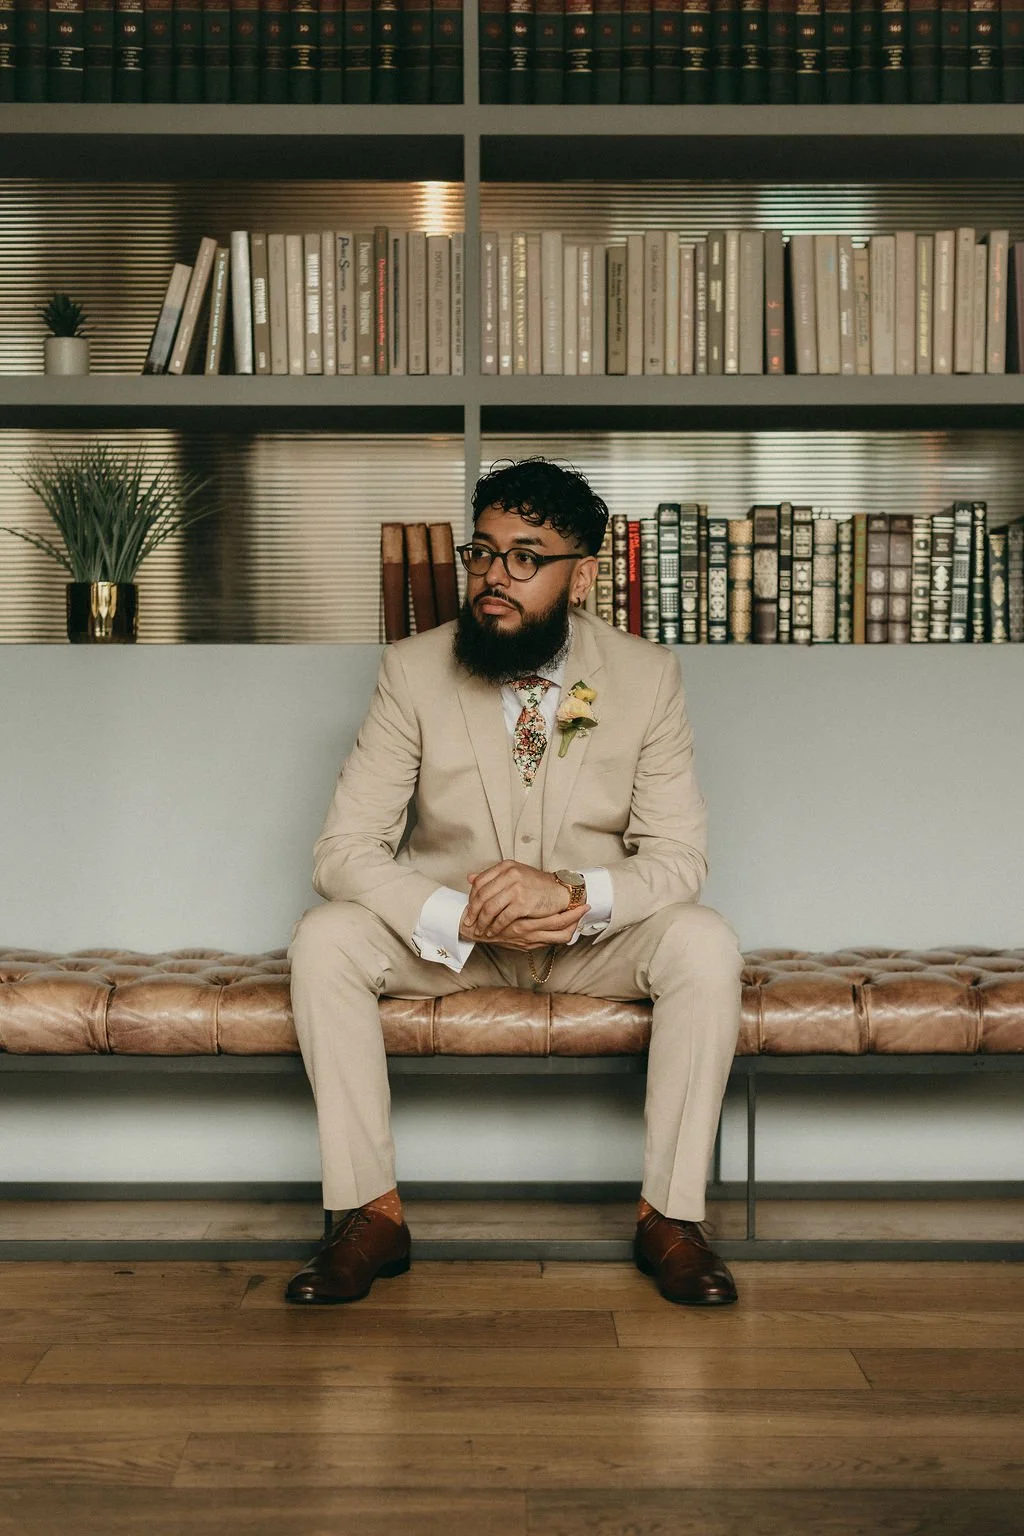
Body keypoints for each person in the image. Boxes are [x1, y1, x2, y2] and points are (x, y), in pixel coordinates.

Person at [285, 456, 745, 1307]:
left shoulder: (647, 677)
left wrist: (572, 896)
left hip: (588, 944)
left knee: (704, 942)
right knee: (326, 939)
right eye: (484, 552)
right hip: (453, 947)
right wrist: (456, 914)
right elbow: (342, 850)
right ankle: (369, 1214)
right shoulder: (412, 670)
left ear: (583, 577)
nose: (495, 576)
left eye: (526, 557)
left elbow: (678, 858)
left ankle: (672, 1218)